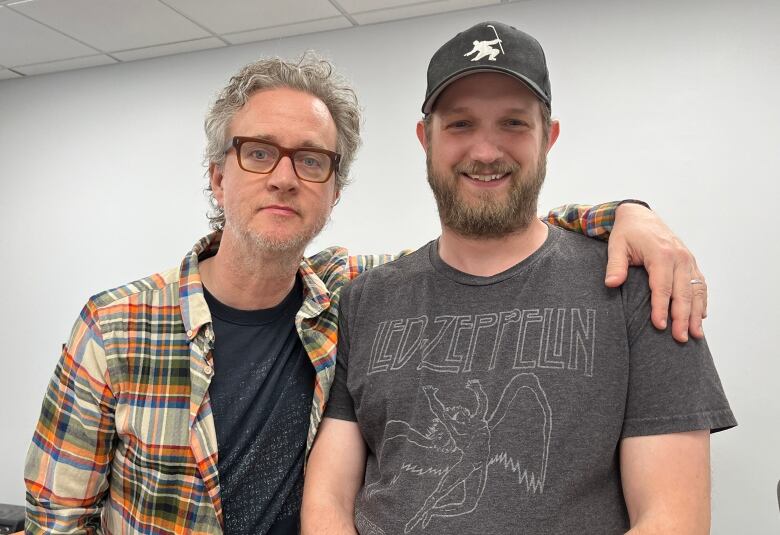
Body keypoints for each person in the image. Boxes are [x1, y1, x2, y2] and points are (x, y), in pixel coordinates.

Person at [24, 52, 706, 535]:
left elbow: (496, 228)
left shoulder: (348, 295)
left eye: (311, 160)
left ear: (334, 186)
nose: (284, 177)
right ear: (216, 176)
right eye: (257, 152)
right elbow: (57, 521)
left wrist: (625, 216)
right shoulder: (117, 327)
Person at [302, 22, 736, 535]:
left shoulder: (639, 289)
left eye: (513, 123)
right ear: (426, 140)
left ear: (548, 137)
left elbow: (673, 518)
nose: (485, 152)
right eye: (461, 124)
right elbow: (328, 495)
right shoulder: (365, 299)